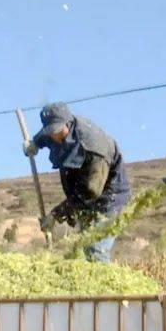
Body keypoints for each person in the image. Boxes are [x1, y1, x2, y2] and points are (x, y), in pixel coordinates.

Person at [24, 102, 131, 262]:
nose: (54, 136)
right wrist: (35, 143)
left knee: (95, 249)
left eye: (57, 131)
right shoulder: (54, 131)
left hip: (108, 199)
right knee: (82, 249)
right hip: (83, 200)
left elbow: (90, 191)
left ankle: (102, 285)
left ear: (68, 122)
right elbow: (44, 135)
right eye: (50, 131)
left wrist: (56, 215)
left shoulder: (93, 146)